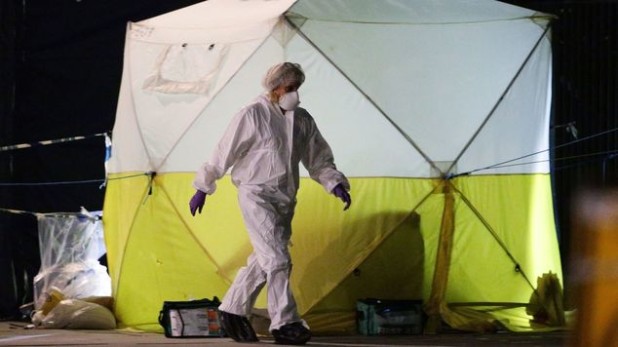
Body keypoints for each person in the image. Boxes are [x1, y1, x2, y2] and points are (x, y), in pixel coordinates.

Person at [188, 62, 351, 345]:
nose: (295, 95)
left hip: (286, 198)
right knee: (277, 259)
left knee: (265, 260)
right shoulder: (251, 115)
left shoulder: (302, 120)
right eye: (289, 88)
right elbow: (223, 152)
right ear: (274, 88)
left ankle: (233, 310)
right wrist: (203, 187)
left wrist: (333, 182)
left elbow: (318, 158)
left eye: (297, 88)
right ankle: (285, 323)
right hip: (256, 195)